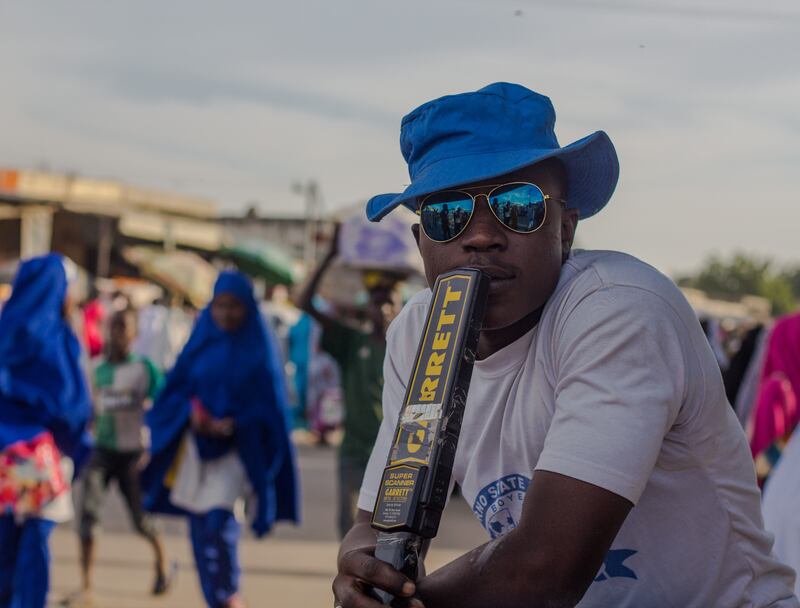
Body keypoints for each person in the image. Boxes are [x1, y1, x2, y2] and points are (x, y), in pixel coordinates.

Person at [333, 83, 798, 607]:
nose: (481, 235)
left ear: (566, 229)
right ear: (423, 244)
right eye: (447, 214)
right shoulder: (419, 331)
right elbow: (374, 521)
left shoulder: (619, 310)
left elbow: (545, 569)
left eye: (518, 205)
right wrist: (364, 568)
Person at [141, 270, 299, 608]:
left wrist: (235, 423)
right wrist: (191, 413)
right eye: (220, 305)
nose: (226, 313)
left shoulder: (259, 351)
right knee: (199, 527)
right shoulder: (201, 343)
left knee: (219, 522)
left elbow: (271, 410)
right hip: (197, 451)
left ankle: (229, 593)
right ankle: (216, 597)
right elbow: (174, 390)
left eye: (235, 306)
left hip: (237, 453)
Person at [0, 254, 92, 608]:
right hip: (37, 459)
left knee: (6, 548)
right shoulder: (57, 338)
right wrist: (77, 447)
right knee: (34, 548)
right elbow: (71, 408)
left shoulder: (5, 327)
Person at [298, 233, 403, 539]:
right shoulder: (350, 341)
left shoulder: (410, 345)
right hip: (354, 451)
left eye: (389, 302)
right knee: (350, 528)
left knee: (394, 531)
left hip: (395, 455)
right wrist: (330, 255)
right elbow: (305, 302)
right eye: (376, 301)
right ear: (367, 307)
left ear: (399, 307)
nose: (382, 309)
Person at [74, 308, 172, 602]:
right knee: (88, 515)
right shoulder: (96, 368)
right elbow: (85, 410)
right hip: (101, 451)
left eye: (124, 329)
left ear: (134, 334)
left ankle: (162, 563)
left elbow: (166, 406)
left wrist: (153, 446)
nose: (118, 335)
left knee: (141, 519)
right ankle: (87, 585)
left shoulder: (143, 369)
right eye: (113, 327)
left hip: (133, 454)